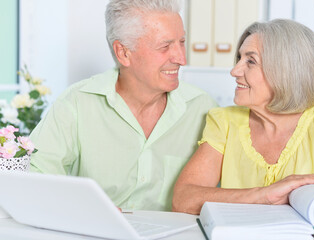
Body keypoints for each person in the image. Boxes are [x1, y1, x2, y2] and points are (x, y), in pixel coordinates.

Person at [173, 19, 314, 239]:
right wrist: (263, 195)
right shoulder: (225, 122)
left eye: (250, 61)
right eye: (239, 59)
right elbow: (183, 199)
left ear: (287, 70)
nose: (234, 71)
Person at [29, 0, 217, 211]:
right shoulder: (75, 104)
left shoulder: (204, 109)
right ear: (123, 53)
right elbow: (34, 179)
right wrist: (83, 208)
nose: (181, 58)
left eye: (181, 42)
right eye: (165, 46)